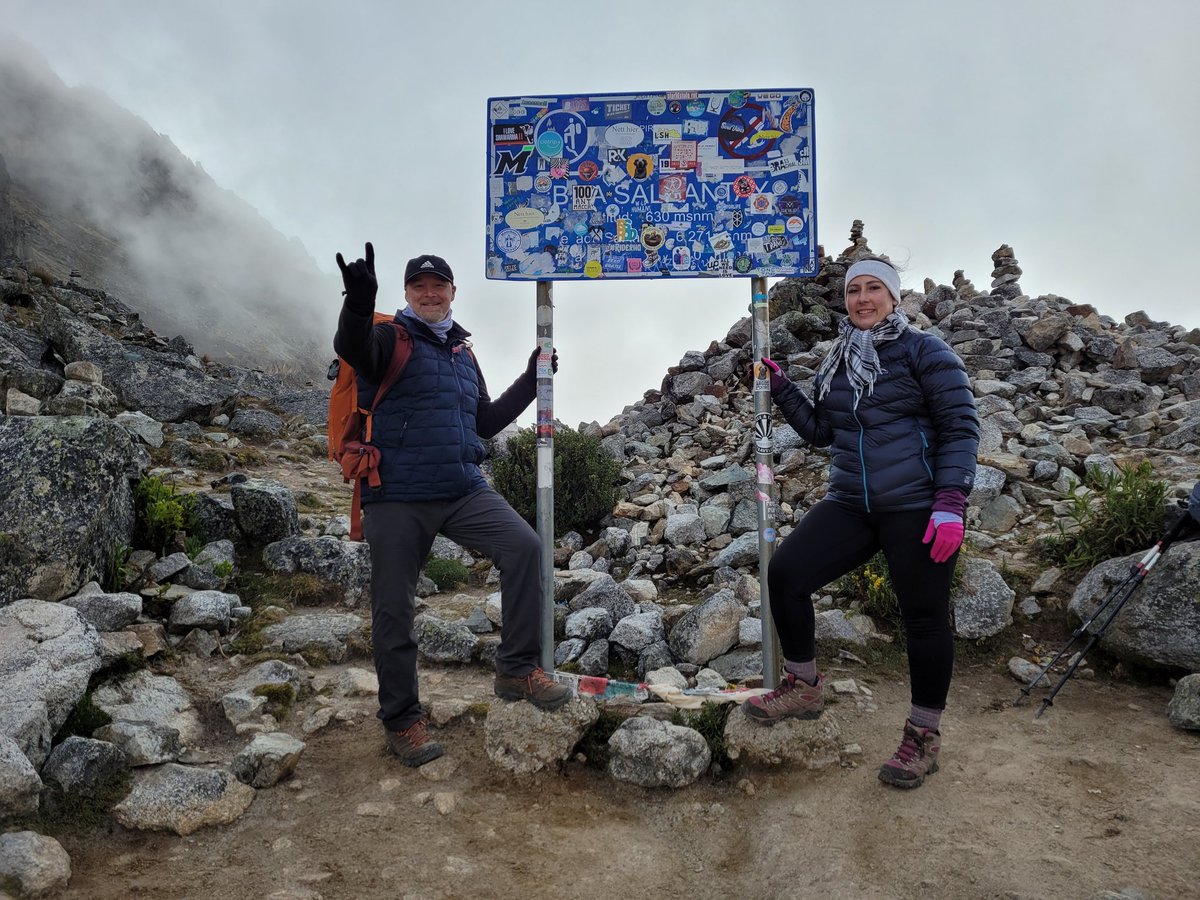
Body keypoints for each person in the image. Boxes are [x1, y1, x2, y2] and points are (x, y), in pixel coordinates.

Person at [743, 256, 979, 789]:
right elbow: (823, 434)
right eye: (855, 291)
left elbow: (960, 426)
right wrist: (781, 389)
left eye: (875, 289)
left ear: (895, 298)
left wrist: (950, 501)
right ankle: (804, 685)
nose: (863, 299)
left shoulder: (926, 351)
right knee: (786, 575)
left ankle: (922, 736)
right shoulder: (840, 359)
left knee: (922, 618)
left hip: (916, 504)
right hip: (852, 502)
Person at [333, 243, 569, 767]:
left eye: (438, 286)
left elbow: (483, 422)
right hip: (395, 495)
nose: (429, 293)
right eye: (419, 286)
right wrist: (357, 301)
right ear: (407, 294)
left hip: (462, 489)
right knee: (394, 609)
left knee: (524, 547)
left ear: (453, 293)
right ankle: (402, 721)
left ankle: (515, 668)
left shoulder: (463, 353)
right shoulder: (386, 338)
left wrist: (533, 380)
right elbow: (351, 347)